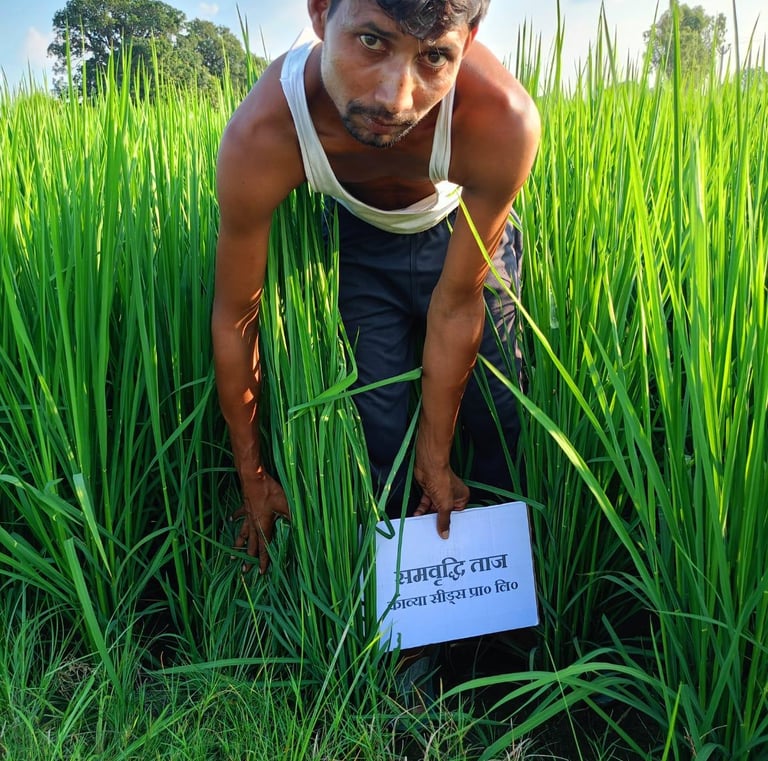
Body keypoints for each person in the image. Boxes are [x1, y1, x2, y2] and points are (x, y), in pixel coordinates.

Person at [212, 0, 541, 574]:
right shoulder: (265, 132)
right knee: (379, 432)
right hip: (359, 244)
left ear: (470, 38)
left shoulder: (501, 119)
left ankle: (497, 615)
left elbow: (457, 303)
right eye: (371, 41)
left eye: (435, 56)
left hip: (461, 231)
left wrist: (437, 455)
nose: (397, 98)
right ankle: (402, 616)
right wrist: (253, 475)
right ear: (319, 14)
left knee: (497, 415)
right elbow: (237, 315)